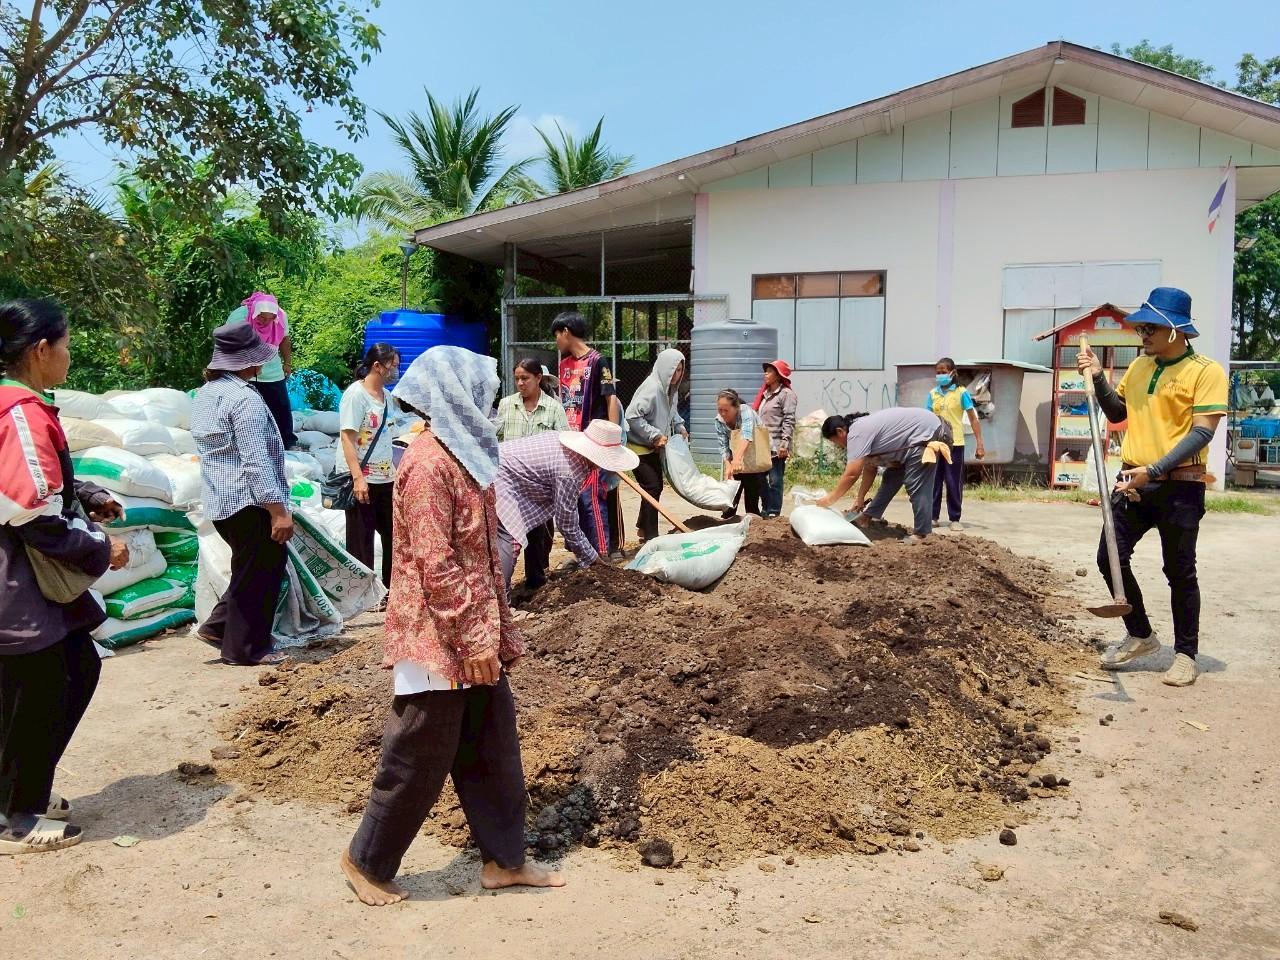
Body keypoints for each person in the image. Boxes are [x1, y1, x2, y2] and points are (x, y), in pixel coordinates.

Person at [341, 346, 564, 907]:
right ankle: (366, 860)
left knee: (492, 740)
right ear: (455, 396)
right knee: (420, 749)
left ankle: (504, 860)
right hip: (437, 635)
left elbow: (484, 554)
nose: (489, 401)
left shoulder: (466, 454)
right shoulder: (426, 463)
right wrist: (472, 638)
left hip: (473, 629)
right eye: (480, 391)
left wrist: (489, 631)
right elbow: (435, 563)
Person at [0, 298, 130, 855]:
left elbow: (33, 487)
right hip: (18, 581)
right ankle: (17, 816)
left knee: (70, 670)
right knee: (41, 688)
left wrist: (88, 495)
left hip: (24, 578)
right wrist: (101, 548)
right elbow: (31, 514)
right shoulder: (22, 414)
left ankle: (22, 792)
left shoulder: (19, 405)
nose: (69, 357)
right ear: (40, 350)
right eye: (67, 345)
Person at [1076, 286, 1227, 687]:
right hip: (1133, 482)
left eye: (1151, 327)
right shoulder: (1141, 367)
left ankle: (1185, 654)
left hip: (1180, 486)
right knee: (1109, 557)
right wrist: (1097, 377)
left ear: (1176, 330)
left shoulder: (1206, 372)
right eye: (1141, 327)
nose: (1143, 334)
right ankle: (1141, 634)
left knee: (1179, 570)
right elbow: (1116, 412)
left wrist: (1155, 468)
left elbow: (1202, 433)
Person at [191, 323, 294, 667]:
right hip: (250, 501)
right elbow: (255, 458)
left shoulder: (207, 393)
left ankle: (219, 628)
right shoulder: (245, 399)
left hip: (222, 501)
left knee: (249, 568)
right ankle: (246, 649)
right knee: (263, 570)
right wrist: (277, 510)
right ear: (249, 362)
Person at [495, 420, 638, 593]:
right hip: (500, 476)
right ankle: (499, 604)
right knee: (510, 540)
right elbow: (567, 524)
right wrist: (593, 559)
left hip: (504, 468)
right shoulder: (570, 470)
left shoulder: (568, 449)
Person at [818, 408, 953, 543]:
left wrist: (830, 499)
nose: (838, 446)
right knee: (892, 477)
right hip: (919, 436)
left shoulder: (856, 434)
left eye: (835, 441)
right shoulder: (860, 428)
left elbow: (852, 474)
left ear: (840, 432)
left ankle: (922, 534)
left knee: (916, 484)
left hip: (926, 435)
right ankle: (866, 517)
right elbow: (870, 468)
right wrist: (860, 498)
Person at [496, 359, 570, 591]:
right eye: (517, 378)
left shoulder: (553, 408)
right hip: (511, 483)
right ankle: (503, 587)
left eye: (525, 378)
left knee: (539, 536)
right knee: (509, 534)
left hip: (540, 485)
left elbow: (563, 441)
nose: (520, 383)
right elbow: (496, 438)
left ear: (538, 378)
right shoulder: (507, 405)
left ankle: (536, 584)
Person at [553, 312, 621, 558]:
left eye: (556, 336)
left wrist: (612, 442)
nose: (556, 342)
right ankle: (581, 555)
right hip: (572, 442)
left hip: (594, 442)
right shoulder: (564, 365)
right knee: (572, 501)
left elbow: (610, 398)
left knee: (592, 498)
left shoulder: (598, 362)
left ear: (566, 331)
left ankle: (601, 554)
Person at [338, 343, 401, 589]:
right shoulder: (356, 395)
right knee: (360, 539)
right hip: (362, 478)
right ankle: (362, 593)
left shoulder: (387, 397)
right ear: (377, 366)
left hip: (386, 477)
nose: (395, 371)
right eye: (392, 366)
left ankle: (391, 588)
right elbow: (347, 438)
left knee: (393, 534)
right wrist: (357, 478)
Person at [625, 348, 687, 542]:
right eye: (673, 371)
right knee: (652, 486)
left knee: (654, 487)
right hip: (639, 446)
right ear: (665, 368)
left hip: (653, 446)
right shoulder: (651, 388)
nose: (676, 375)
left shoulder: (671, 389)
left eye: (679, 371)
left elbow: (671, 410)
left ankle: (643, 528)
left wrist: (679, 425)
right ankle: (651, 536)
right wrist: (654, 435)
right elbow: (632, 415)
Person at [226, 291, 296, 448]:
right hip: (243, 370)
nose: (265, 322)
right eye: (261, 317)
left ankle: (286, 442)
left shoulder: (281, 315)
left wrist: (287, 363)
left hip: (272, 370)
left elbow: (284, 339)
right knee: (243, 408)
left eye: (269, 319)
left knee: (280, 407)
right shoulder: (240, 315)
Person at [926, 357, 986, 530]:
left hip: (955, 444)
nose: (940, 376)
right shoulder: (932, 394)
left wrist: (979, 444)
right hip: (935, 444)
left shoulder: (961, 393)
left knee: (953, 481)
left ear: (952, 373)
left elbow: (974, 419)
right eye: (938, 373)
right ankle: (932, 516)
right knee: (934, 480)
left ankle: (955, 518)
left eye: (943, 372)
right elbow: (926, 418)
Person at [754, 360, 798, 518]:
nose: (765, 374)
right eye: (765, 371)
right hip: (762, 444)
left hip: (777, 444)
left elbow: (789, 419)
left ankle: (773, 511)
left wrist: (784, 444)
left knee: (775, 480)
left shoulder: (787, 395)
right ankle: (766, 508)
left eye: (769, 371)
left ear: (778, 376)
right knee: (760, 479)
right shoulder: (764, 395)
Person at [715, 389, 764, 518]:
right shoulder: (719, 420)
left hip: (753, 453)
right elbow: (723, 446)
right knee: (732, 490)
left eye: (726, 410)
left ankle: (755, 522)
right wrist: (728, 465)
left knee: (752, 492)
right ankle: (728, 518)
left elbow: (746, 436)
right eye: (720, 410)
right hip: (737, 452)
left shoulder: (745, 411)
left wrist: (736, 460)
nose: (723, 414)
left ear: (736, 407)